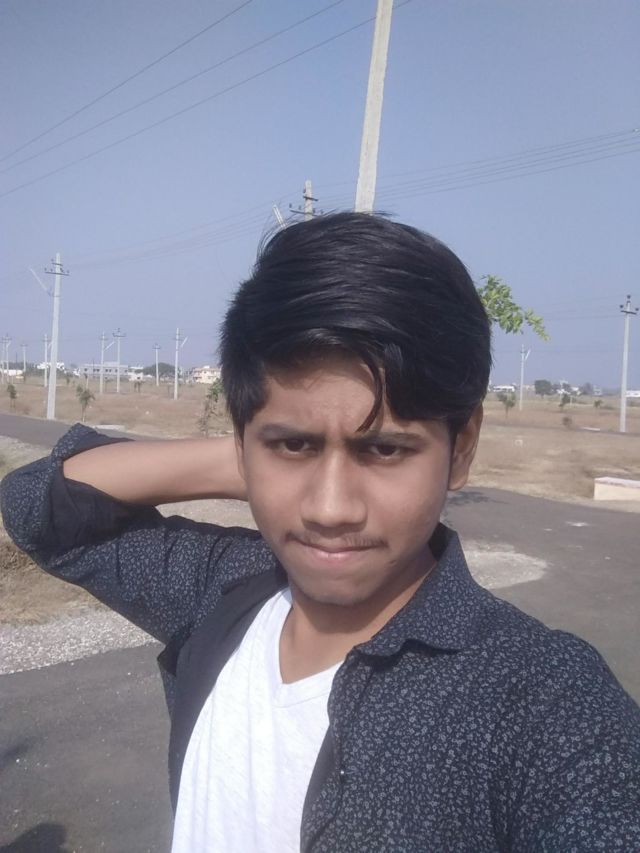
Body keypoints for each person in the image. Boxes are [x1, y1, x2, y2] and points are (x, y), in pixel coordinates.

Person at [2, 213, 639, 852]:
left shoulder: (546, 705)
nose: (331, 509)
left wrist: (281, 451)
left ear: (462, 447)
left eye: (385, 449)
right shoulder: (225, 592)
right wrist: (250, 459)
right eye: (292, 445)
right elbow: (37, 508)